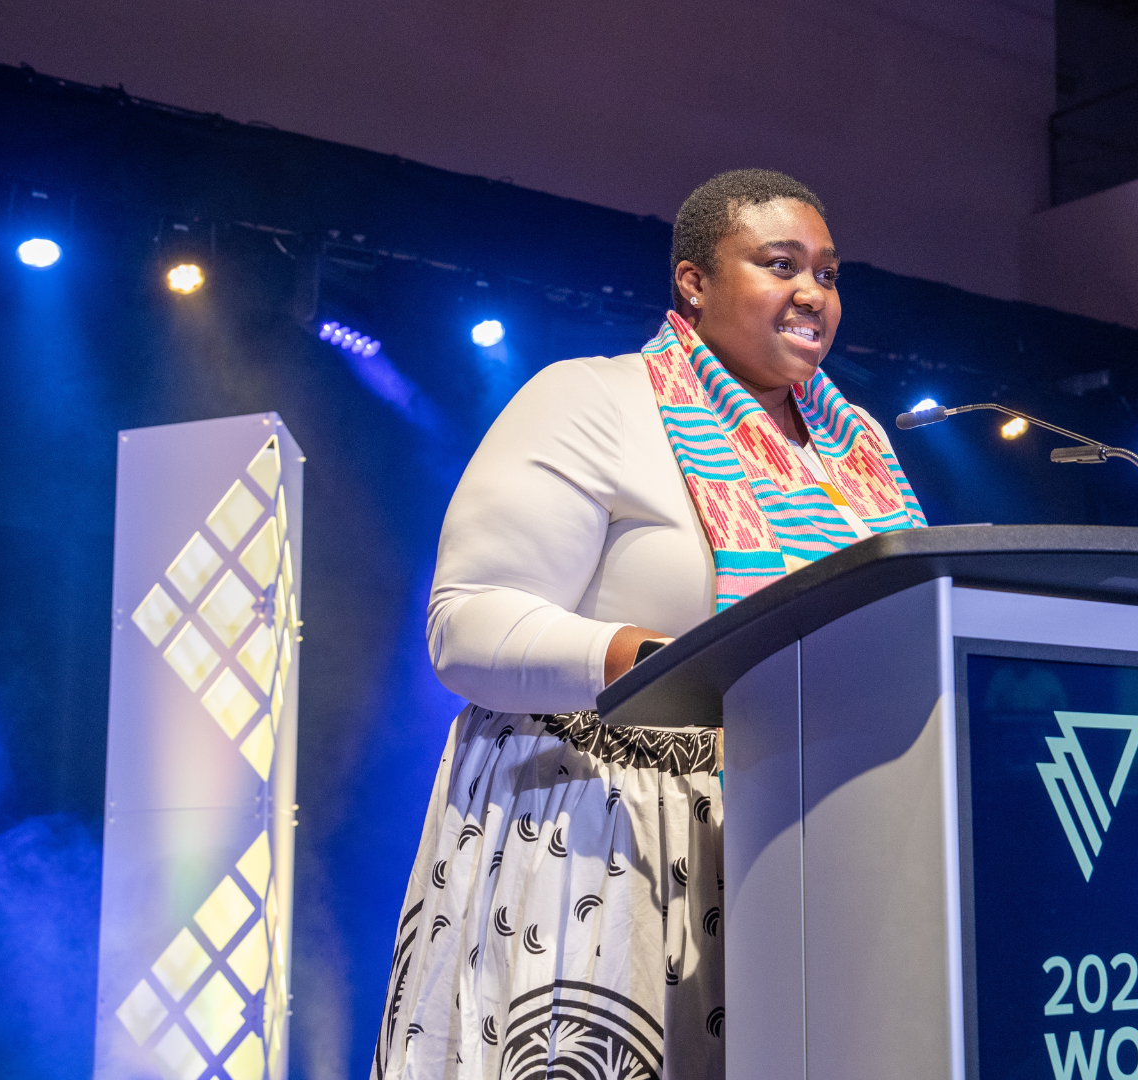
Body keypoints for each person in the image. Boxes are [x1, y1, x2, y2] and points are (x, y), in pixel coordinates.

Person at [371, 169, 925, 1079]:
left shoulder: (855, 446)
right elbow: (465, 625)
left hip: (804, 834)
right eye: (779, 264)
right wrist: (661, 663)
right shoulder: (595, 400)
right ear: (693, 281)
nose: (812, 294)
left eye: (827, 273)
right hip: (603, 845)